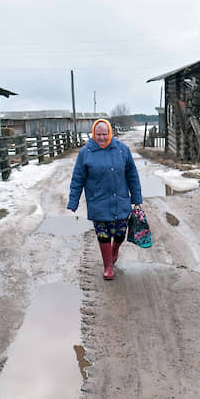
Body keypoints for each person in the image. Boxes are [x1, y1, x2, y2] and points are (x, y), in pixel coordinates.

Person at [67, 119, 143, 280]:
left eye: (104, 134)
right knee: (103, 235)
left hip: (120, 200)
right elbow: (77, 179)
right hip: (97, 201)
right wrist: (73, 201)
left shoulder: (122, 150)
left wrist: (136, 198)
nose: (101, 137)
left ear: (110, 133)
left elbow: (132, 175)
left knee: (120, 233)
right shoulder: (85, 152)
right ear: (93, 134)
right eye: (98, 134)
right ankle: (108, 266)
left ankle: (115, 249)